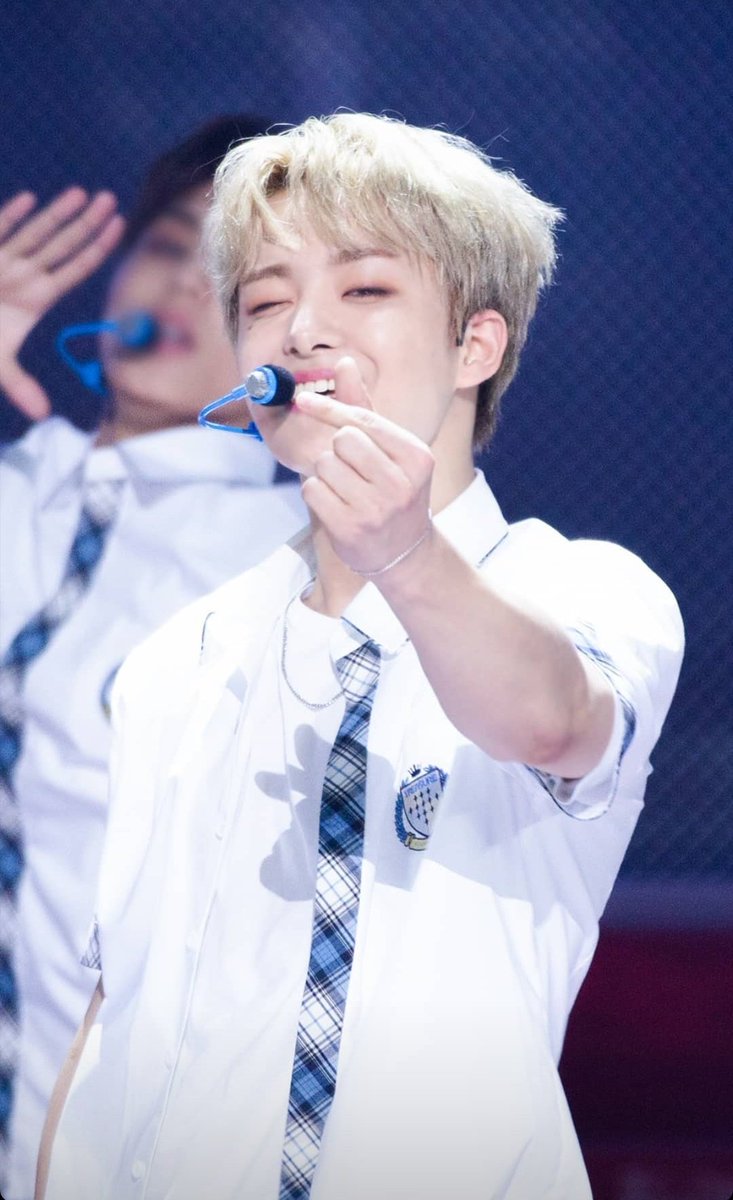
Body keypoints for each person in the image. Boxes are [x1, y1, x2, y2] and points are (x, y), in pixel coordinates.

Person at [39, 113, 683, 1200]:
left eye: (365, 288)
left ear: (475, 346)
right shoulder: (176, 661)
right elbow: (113, 1020)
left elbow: (550, 721)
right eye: (264, 302)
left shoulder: (586, 589)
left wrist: (407, 557)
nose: (302, 329)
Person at [0, 116, 306, 1200]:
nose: (185, 286)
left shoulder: (295, 558)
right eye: (174, 245)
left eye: (240, 286)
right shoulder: (21, 487)